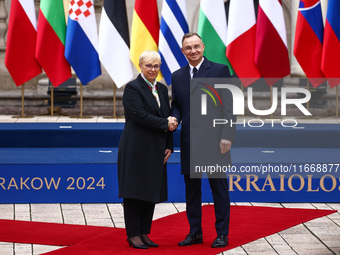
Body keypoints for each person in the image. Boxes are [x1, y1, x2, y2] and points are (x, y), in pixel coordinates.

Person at [170, 33, 236, 248]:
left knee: (219, 189)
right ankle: (195, 233)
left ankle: (222, 234)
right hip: (190, 141)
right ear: (183, 51)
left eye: (196, 46)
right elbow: (177, 105)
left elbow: (230, 106)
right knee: (192, 191)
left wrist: (227, 135)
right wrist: (175, 117)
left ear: (203, 46)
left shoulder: (219, 70)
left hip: (215, 141)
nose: (193, 51)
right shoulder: (177, 76)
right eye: (188, 48)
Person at [117, 51, 177, 249]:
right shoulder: (132, 88)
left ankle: (144, 232)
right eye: (149, 66)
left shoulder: (160, 87)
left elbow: (166, 115)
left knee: (150, 190)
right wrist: (166, 124)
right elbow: (139, 115)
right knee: (134, 191)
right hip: (136, 147)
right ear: (140, 66)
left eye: (157, 66)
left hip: (156, 147)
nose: (153, 69)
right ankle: (133, 234)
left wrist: (169, 143)